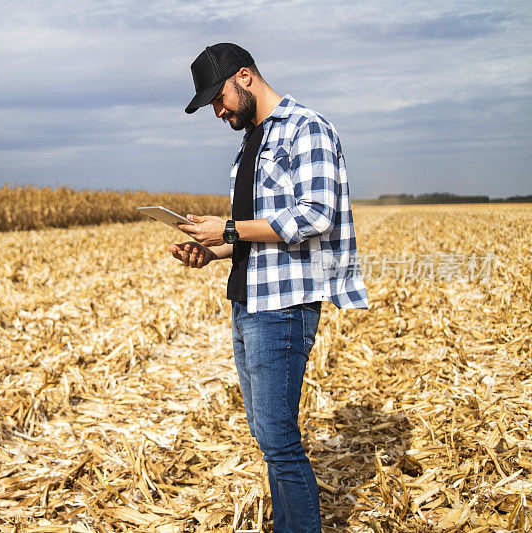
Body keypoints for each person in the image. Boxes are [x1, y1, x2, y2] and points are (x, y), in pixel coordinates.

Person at [169, 43, 368, 533]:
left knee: (279, 439)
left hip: (284, 307)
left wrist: (229, 230)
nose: (217, 110)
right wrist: (210, 250)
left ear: (245, 77)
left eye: (218, 98)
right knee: (266, 435)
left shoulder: (307, 128)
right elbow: (256, 238)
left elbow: (316, 214)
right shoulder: (250, 143)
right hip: (247, 300)